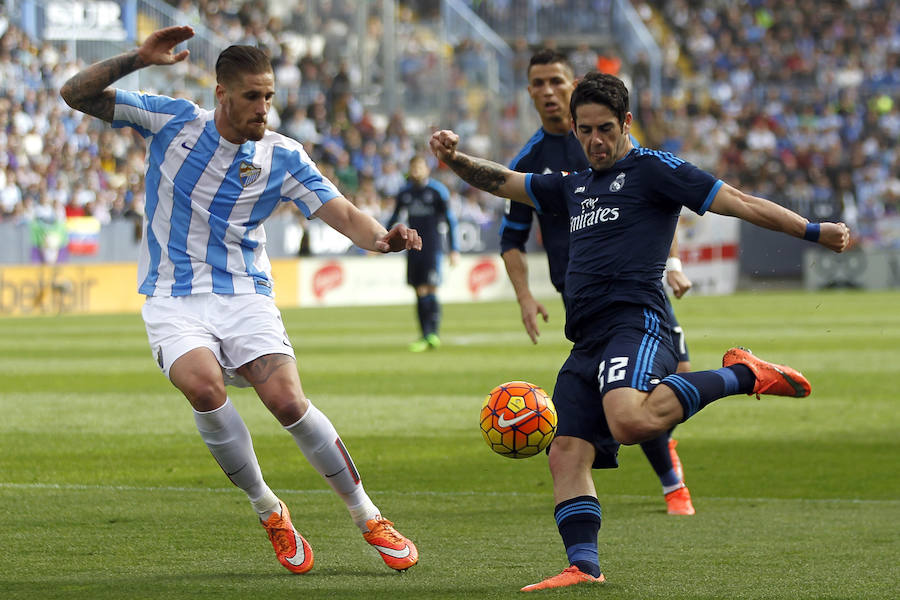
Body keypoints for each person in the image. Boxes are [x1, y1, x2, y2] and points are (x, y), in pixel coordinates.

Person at [430, 71, 850, 591]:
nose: (594, 141)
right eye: (584, 131)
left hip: (637, 319)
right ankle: (583, 565)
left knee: (628, 421)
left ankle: (743, 374)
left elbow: (739, 201)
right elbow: (504, 182)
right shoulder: (573, 185)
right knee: (565, 452)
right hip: (586, 338)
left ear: (626, 122)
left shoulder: (656, 171)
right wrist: (454, 160)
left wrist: (812, 230)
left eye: (604, 129)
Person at [60, 26, 421, 574]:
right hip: (172, 298)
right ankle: (269, 509)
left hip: (244, 294)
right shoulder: (172, 119)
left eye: (269, 96)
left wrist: (380, 238)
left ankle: (367, 514)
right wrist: (138, 58)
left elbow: (342, 212)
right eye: (252, 96)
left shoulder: (284, 156)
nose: (264, 107)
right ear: (221, 94)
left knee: (287, 403)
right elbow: (75, 94)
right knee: (203, 388)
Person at [501, 50, 695, 516]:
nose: (548, 90)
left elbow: (654, 202)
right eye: (538, 83)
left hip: (637, 287)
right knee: (624, 395)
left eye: (556, 80)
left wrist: (672, 264)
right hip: (583, 299)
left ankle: (670, 472)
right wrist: (525, 296)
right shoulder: (530, 160)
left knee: (672, 380)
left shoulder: (607, 136)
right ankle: (672, 486)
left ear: (573, 85)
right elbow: (512, 238)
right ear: (529, 92)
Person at [386, 154, 460, 352]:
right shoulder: (405, 193)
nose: (416, 171)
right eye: (413, 167)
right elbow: (394, 218)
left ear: (427, 169)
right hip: (413, 249)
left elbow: (450, 221)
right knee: (419, 290)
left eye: (420, 167)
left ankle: (432, 333)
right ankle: (425, 335)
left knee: (431, 287)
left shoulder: (436, 191)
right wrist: (382, 240)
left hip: (432, 247)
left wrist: (454, 249)